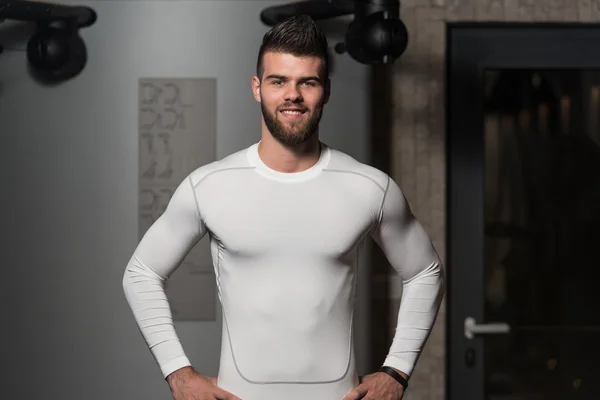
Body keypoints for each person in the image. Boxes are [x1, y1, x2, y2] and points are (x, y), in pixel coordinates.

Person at [122, 15, 444, 400]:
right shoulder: (209, 185)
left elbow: (426, 272)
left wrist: (396, 372)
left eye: (307, 82)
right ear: (257, 88)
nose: (293, 95)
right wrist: (178, 373)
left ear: (326, 90)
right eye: (279, 81)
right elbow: (141, 274)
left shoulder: (368, 187)